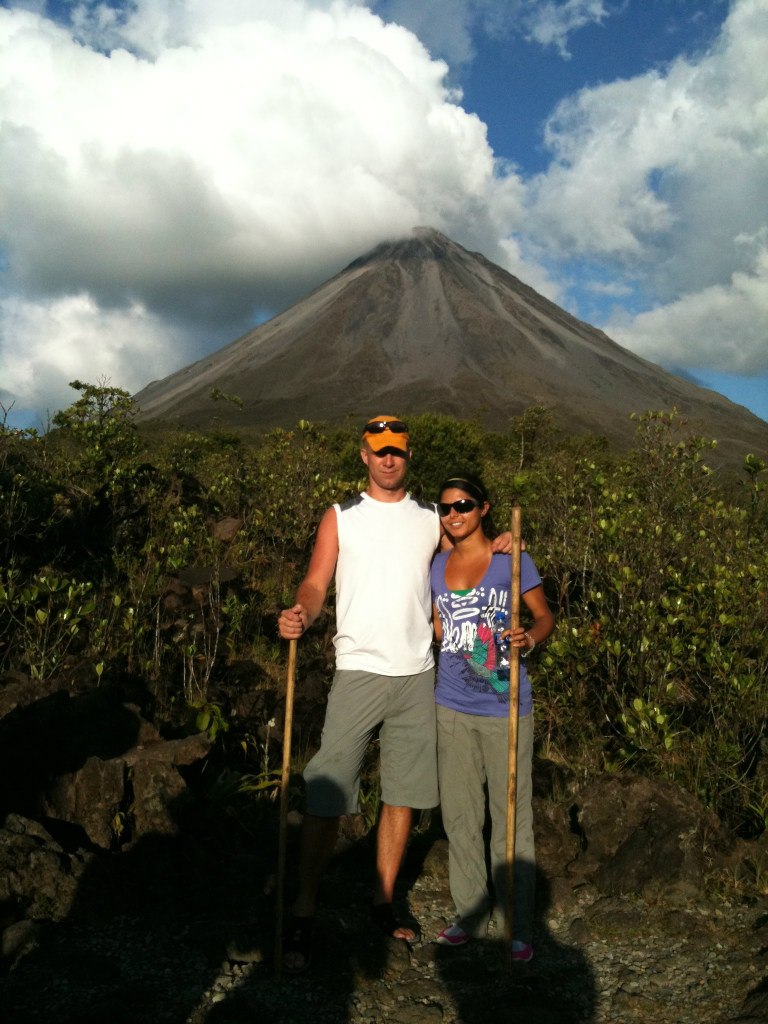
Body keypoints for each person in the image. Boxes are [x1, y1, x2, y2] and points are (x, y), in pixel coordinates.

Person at [277, 417, 510, 973]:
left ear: (408, 457)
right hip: (358, 670)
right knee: (327, 793)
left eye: (397, 453)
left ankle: (382, 903)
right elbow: (317, 580)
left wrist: (504, 543)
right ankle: (303, 910)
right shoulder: (341, 516)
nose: (388, 460)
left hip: (417, 674)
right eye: (379, 451)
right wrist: (302, 611)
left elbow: (470, 552)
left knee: (402, 795)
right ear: (364, 455)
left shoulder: (431, 517)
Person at [430, 473, 554, 962]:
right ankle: (469, 915)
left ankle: (516, 925)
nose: (454, 514)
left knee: (511, 819)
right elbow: (441, 630)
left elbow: (544, 616)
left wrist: (531, 638)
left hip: (506, 707)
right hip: (451, 706)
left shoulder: (512, 560)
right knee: (460, 816)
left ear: (483, 508)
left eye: (463, 505)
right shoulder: (437, 565)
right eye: (446, 508)